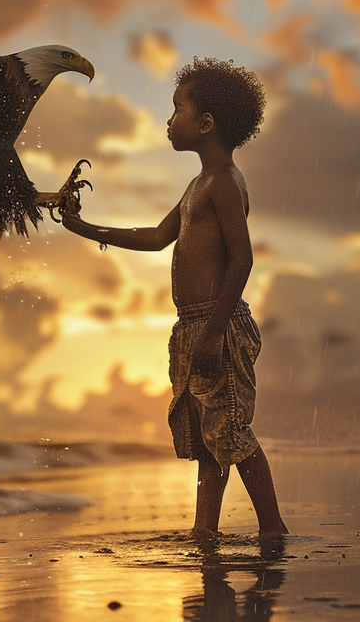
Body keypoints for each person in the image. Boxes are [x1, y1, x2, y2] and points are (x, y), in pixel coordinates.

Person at [62, 58, 287, 537]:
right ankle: (204, 530)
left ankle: (274, 530)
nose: (169, 120)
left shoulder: (225, 182)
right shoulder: (197, 185)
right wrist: (83, 226)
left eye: (176, 109)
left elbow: (242, 261)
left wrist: (213, 331)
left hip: (215, 324)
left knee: (229, 431)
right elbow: (156, 236)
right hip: (192, 325)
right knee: (209, 441)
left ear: (206, 123)